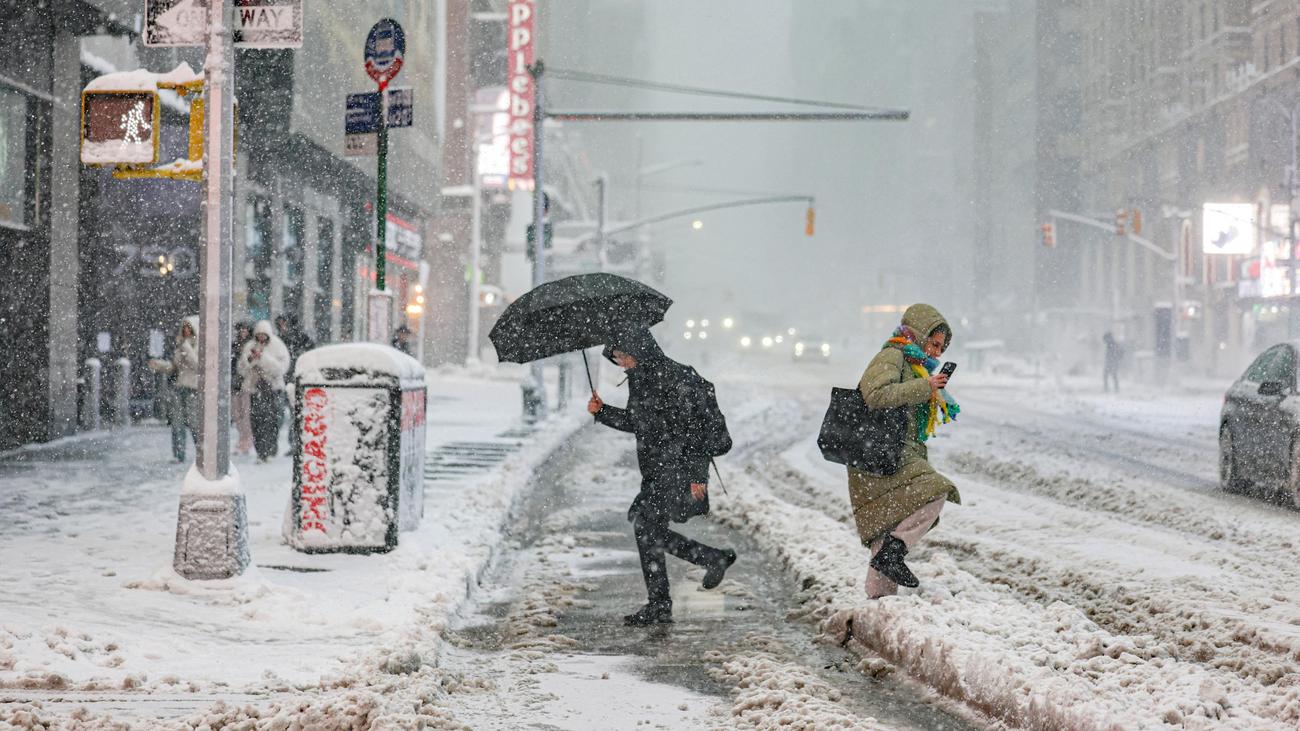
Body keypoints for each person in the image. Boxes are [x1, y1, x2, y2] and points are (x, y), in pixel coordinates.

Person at [588, 329, 738, 626]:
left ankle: (663, 602)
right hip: (659, 469)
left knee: (646, 528)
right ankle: (707, 562)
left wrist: (697, 475)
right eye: (617, 359)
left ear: (638, 349)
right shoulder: (642, 378)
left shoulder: (672, 377)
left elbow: (695, 428)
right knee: (648, 530)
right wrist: (603, 411)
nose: (621, 363)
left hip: (679, 469)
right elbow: (640, 423)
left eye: (623, 356)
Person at [849, 303, 961, 598]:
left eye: (941, 348)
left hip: (891, 453)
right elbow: (876, 395)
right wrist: (925, 387)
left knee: (886, 522)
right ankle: (894, 551)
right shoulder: (892, 356)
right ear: (920, 333)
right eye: (934, 344)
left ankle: (880, 604)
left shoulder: (915, 365)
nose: (937, 353)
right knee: (937, 490)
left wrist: (929, 387)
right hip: (881, 452)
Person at [147, 316, 200, 462]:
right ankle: (178, 454)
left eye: (189, 328)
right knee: (177, 423)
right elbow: (175, 367)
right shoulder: (181, 346)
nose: (186, 331)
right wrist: (159, 365)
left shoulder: (197, 346)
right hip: (179, 386)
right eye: (184, 328)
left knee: (195, 424)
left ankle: (201, 453)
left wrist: (186, 347)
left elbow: (197, 365)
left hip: (193, 388)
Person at [238, 320, 290, 462]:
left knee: (272, 421)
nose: (261, 338)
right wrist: (252, 360)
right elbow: (242, 368)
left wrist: (262, 359)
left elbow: (281, 368)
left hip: (273, 389)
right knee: (256, 421)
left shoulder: (278, 346)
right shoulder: (250, 346)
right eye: (259, 335)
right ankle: (261, 451)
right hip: (255, 389)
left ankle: (270, 449)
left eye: (264, 335)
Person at [232, 321, 255, 455]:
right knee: (236, 414)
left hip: (247, 383)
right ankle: (242, 438)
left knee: (245, 413)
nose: (243, 332)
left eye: (245, 330)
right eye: (241, 330)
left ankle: (246, 440)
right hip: (235, 383)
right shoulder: (235, 346)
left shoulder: (251, 346)